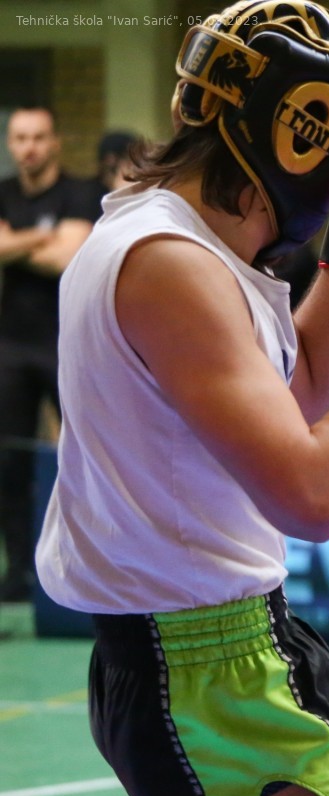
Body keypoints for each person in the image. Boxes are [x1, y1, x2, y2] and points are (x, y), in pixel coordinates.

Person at [32, 3, 329, 796]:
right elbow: (312, 496)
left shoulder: (183, 245)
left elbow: (303, 392)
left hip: (225, 649)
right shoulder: (170, 264)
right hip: (207, 674)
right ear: (300, 138)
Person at [0, 105, 101, 601]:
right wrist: (45, 235)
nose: (30, 147)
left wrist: (14, 243)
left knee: (84, 459)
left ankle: (90, 570)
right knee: (9, 464)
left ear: (56, 142)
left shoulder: (80, 192)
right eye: (21, 138)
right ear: (10, 143)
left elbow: (69, 256)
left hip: (68, 344)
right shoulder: (3, 192)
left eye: (39, 137)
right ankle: (19, 572)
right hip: (11, 348)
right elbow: (53, 247)